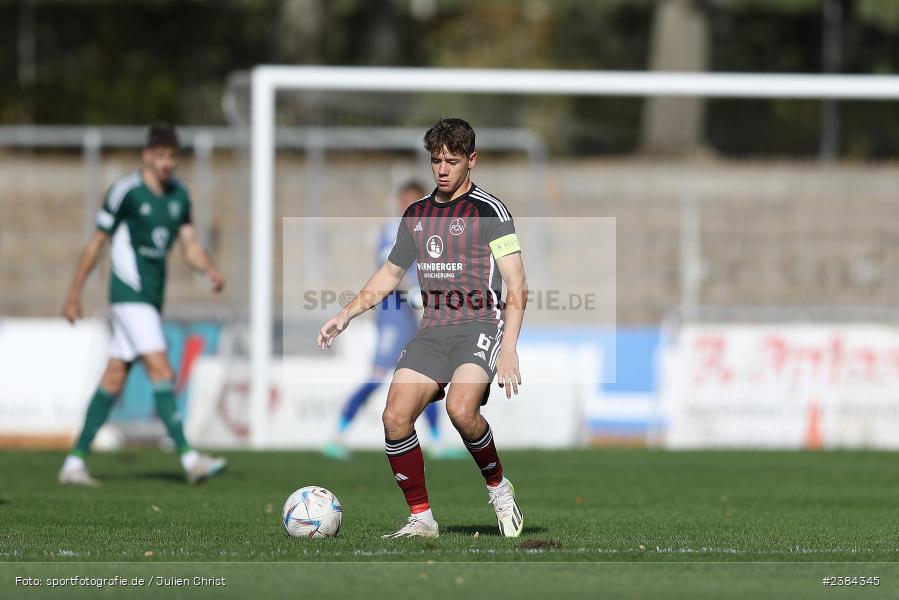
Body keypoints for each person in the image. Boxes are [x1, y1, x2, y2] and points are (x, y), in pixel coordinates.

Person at [318, 117, 528, 538]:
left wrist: (508, 346)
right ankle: (422, 518)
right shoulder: (416, 215)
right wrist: (345, 314)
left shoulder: (490, 211)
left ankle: (499, 489)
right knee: (395, 418)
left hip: (478, 326)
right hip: (433, 331)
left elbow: (517, 281)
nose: (443, 169)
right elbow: (390, 274)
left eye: (452, 160)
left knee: (461, 410)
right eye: (436, 161)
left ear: (472, 161)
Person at [58, 124, 227, 486]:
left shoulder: (180, 195)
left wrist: (209, 268)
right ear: (147, 155)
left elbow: (190, 245)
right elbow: (96, 243)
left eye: (172, 156)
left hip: (150, 299)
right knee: (161, 369)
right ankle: (189, 457)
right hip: (128, 295)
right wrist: (74, 293)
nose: (166, 163)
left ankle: (74, 463)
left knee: (114, 376)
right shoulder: (126, 192)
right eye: (160, 155)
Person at [322, 181, 465, 461]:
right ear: (400, 201)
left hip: (413, 313)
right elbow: (389, 270)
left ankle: (437, 441)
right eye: (407, 201)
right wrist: (412, 293)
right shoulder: (393, 227)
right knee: (377, 377)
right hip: (392, 311)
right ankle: (337, 434)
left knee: (425, 376)